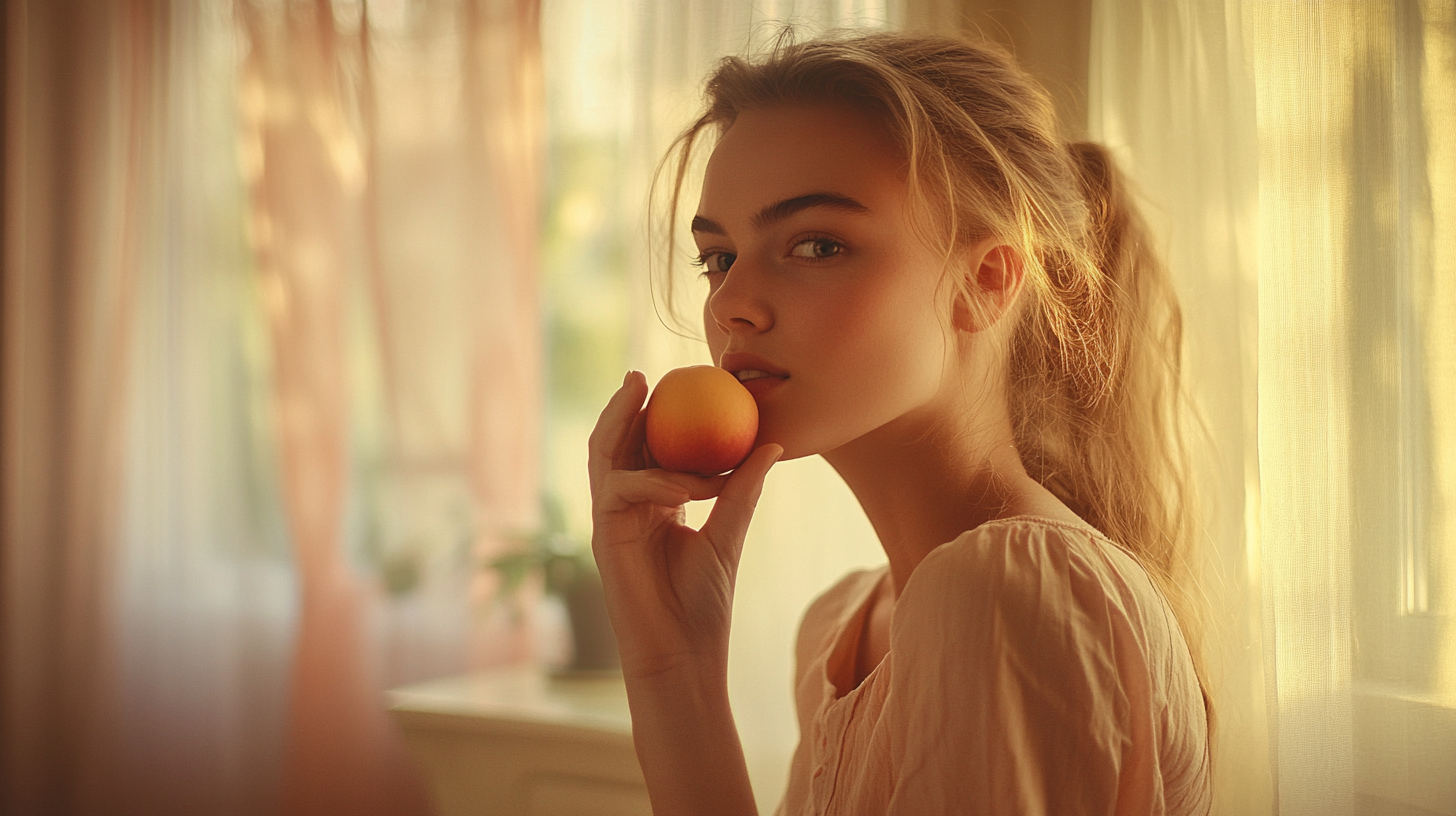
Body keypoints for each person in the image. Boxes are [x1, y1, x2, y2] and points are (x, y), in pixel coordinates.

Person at [587, 29, 1213, 816]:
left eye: (815, 244)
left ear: (985, 282)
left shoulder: (1000, 594)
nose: (729, 303)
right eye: (718, 257)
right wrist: (670, 665)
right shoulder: (843, 629)